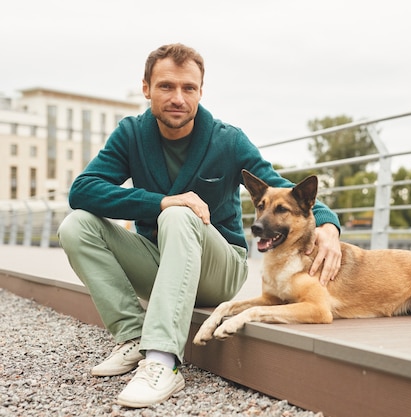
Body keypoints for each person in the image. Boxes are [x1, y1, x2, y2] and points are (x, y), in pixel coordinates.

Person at [57, 43, 342, 408]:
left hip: (216, 270)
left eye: (188, 88)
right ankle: (132, 337)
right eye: (166, 86)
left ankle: (162, 362)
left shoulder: (227, 140)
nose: (178, 97)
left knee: (179, 215)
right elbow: (82, 190)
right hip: (160, 262)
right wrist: (160, 200)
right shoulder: (130, 134)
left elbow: (282, 188)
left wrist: (330, 225)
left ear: (200, 92)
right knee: (76, 225)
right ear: (146, 88)